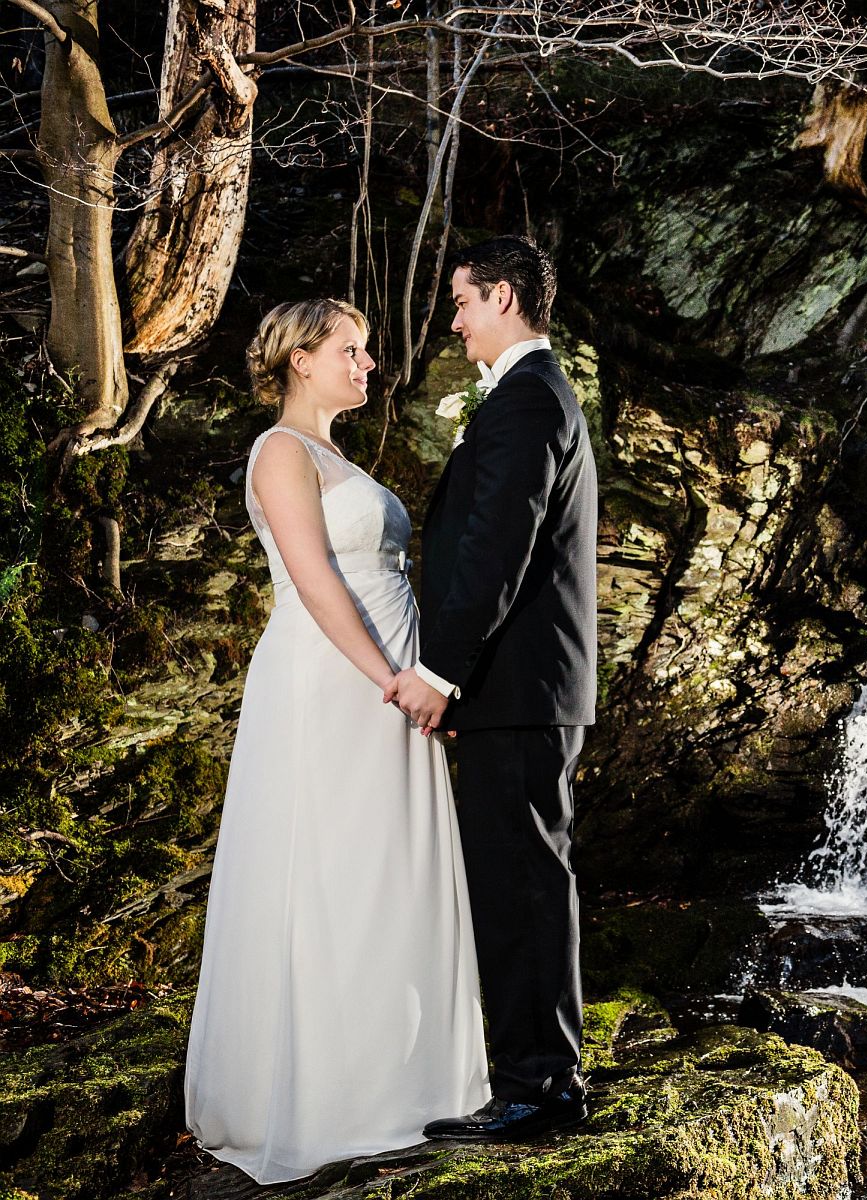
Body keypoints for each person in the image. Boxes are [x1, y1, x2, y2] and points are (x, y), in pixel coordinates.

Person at [185, 299, 489, 1184]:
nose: (367, 365)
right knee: (334, 866)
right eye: (350, 351)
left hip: (392, 681)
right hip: (335, 679)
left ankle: (396, 1074)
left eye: (365, 350)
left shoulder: (336, 455)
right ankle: (326, 1094)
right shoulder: (279, 451)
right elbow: (314, 582)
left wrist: (419, 676)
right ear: (300, 359)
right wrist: (387, 678)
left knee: (387, 866)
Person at [385, 235, 599, 1141]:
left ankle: (538, 1086)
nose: (456, 319)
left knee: (520, 883)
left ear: (503, 297)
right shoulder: (530, 398)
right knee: (525, 878)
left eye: (465, 302)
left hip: (517, 689)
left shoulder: (527, 400)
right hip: (525, 691)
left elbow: (497, 549)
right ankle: (541, 1077)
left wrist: (439, 673)